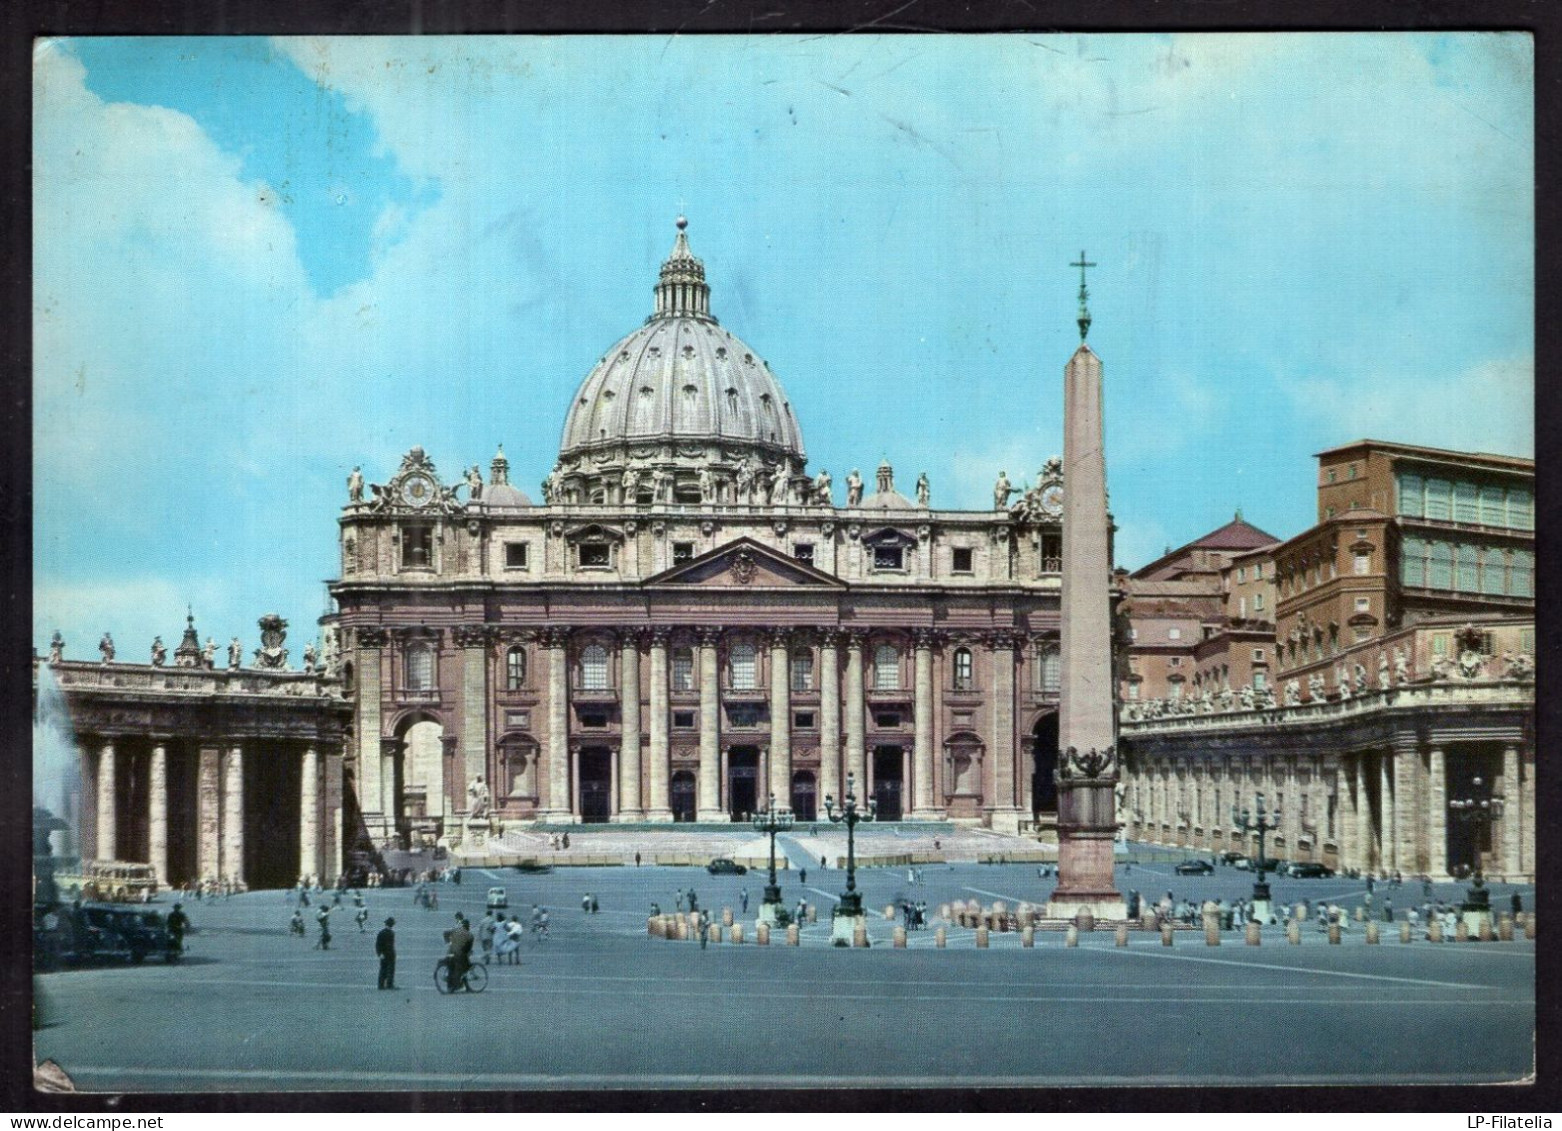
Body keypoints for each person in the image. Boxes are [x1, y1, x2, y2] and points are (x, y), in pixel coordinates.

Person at [446, 913, 474, 991]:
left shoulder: (457, 930)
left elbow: (451, 939)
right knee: (463, 968)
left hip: (450, 952)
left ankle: (464, 987)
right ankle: (457, 986)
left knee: (453, 969)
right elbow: (468, 948)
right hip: (459, 954)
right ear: (468, 926)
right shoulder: (469, 935)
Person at [376, 917, 397, 990]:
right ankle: (388, 985)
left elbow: (378, 945)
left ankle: (382, 985)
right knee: (388, 970)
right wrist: (380, 953)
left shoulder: (382, 932)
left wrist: (379, 954)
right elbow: (378, 944)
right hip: (389, 954)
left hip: (386, 954)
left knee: (384, 970)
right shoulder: (390, 933)